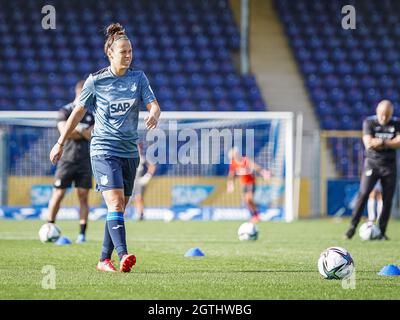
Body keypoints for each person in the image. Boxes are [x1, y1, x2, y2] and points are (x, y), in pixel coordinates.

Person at [50, 23, 161, 272]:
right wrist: (60, 142)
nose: (129, 55)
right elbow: (77, 113)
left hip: (129, 152)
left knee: (118, 207)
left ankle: (103, 259)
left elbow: (154, 104)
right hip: (103, 149)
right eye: (123, 51)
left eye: (130, 51)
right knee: (116, 203)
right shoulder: (96, 81)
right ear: (110, 53)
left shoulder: (139, 78)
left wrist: (154, 114)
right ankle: (123, 255)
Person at [344, 100, 400, 240]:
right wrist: (389, 143)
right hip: (372, 164)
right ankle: (351, 228)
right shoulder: (369, 122)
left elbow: (398, 142)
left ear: (391, 114)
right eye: (381, 115)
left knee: (388, 199)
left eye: (386, 116)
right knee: (363, 195)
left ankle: (381, 231)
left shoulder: (396, 123)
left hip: (389, 166)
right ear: (377, 112)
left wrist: (380, 142)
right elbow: (369, 143)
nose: (383, 118)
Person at [47, 80, 94, 244]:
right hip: (66, 159)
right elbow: (64, 132)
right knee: (58, 194)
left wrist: (74, 129)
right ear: (79, 92)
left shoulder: (91, 113)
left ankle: (82, 234)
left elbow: (92, 134)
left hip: (85, 161)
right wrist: (82, 130)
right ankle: (49, 227)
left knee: (83, 196)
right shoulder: (65, 111)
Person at [227, 147, 271, 223]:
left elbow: (254, 166)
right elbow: (231, 174)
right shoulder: (233, 164)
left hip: (251, 183)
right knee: (247, 201)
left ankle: (256, 214)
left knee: (249, 199)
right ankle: (255, 215)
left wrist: (263, 172)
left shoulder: (245, 160)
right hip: (244, 184)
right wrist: (230, 184)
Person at [133, 143, 157, 221]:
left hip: (139, 180)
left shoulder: (143, 158)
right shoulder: (130, 157)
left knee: (138, 197)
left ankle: (140, 214)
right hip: (131, 180)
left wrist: (148, 176)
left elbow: (152, 166)